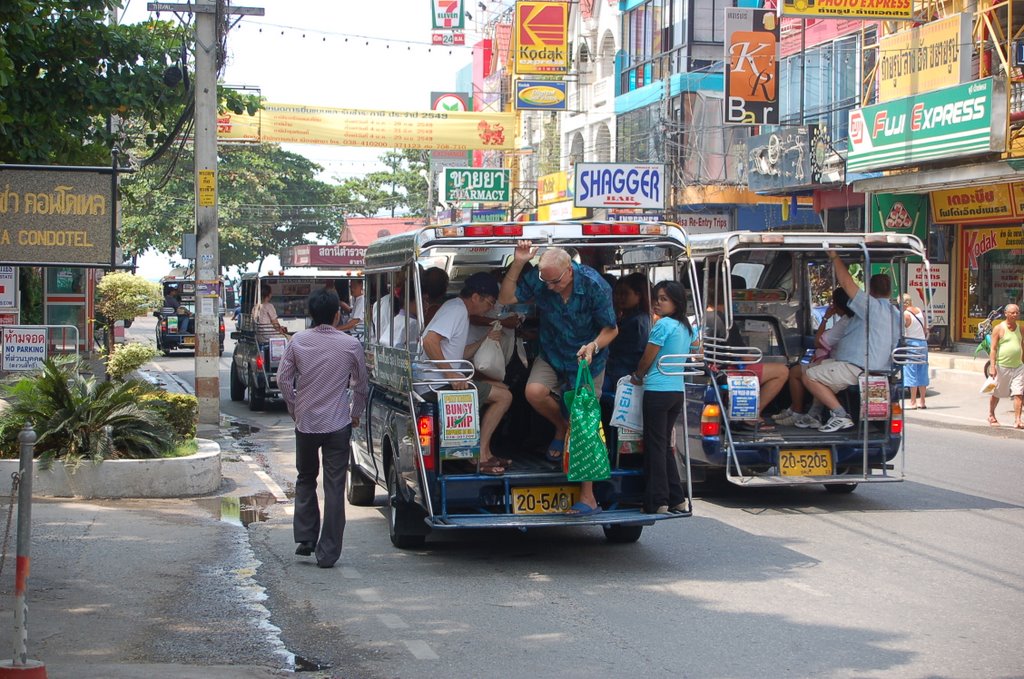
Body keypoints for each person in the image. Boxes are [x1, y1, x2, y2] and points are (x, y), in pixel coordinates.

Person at [498, 244, 618, 515]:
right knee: (534, 391)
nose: (550, 286)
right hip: (552, 352)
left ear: (569, 271)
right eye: (545, 280)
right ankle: (562, 428)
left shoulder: (594, 285)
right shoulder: (542, 280)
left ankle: (588, 498)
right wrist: (519, 263)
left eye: (555, 281)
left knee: (584, 422)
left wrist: (593, 347)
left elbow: (611, 329)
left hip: (588, 359)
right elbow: (506, 298)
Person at [277, 288, 368, 569]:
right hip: (338, 423)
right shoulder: (350, 345)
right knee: (334, 486)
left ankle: (305, 538)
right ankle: (327, 553)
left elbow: (283, 380)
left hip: (306, 423)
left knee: (306, 478)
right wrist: (355, 413)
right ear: (337, 314)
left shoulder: (297, 341)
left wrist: (295, 408)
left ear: (310, 315)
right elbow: (361, 385)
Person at [421, 272, 514, 474]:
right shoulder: (456, 309)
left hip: (441, 380)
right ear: (475, 297)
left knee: (503, 389)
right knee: (504, 397)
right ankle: (479, 455)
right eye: (489, 303)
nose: (489, 309)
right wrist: (452, 376)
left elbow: (458, 353)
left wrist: (486, 339)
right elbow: (429, 341)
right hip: (436, 384)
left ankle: (486, 452)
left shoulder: (458, 311)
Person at [801, 252, 902, 433]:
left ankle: (840, 415)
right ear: (890, 291)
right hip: (873, 367)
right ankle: (815, 413)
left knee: (809, 376)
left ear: (870, 291)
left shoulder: (871, 307)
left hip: (858, 367)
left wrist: (834, 257)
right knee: (816, 367)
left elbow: (847, 284)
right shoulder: (896, 313)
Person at [630, 281, 693, 515]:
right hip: (676, 392)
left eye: (664, 298)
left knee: (656, 447)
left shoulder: (663, 326)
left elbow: (647, 359)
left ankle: (658, 500)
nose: (658, 302)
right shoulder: (686, 327)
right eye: (657, 298)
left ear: (676, 302)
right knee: (665, 446)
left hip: (657, 390)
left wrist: (637, 375)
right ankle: (677, 498)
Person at [703, 281, 788, 431]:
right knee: (782, 371)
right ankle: (751, 415)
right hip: (730, 371)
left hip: (713, 370)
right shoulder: (725, 321)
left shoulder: (702, 318)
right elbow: (745, 358)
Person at [774, 287, 854, 427]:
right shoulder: (853, 320)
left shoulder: (845, 322)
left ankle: (799, 411)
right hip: (837, 361)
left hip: (838, 363)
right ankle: (799, 410)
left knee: (796, 372)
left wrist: (825, 319)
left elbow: (819, 342)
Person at [602, 272, 652, 416]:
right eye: (617, 294)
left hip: (623, 375)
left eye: (625, 294)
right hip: (616, 373)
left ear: (638, 295)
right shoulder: (627, 317)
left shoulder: (638, 321)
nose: (619, 298)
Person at [987, 303, 1023, 428]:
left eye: (1017, 312)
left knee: (1019, 392)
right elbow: (993, 349)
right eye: (1012, 312)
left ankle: (1018, 420)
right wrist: (992, 366)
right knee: (997, 393)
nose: (1015, 315)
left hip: (1018, 366)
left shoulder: (1020, 328)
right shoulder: (999, 328)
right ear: (1006, 314)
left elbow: (1021, 345)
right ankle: (991, 414)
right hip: (1002, 366)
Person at [901, 293, 930, 409]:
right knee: (923, 371)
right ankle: (922, 401)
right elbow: (925, 328)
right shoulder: (919, 311)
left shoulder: (905, 315)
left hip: (911, 344)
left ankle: (913, 401)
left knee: (911, 371)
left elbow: (902, 331)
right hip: (923, 344)